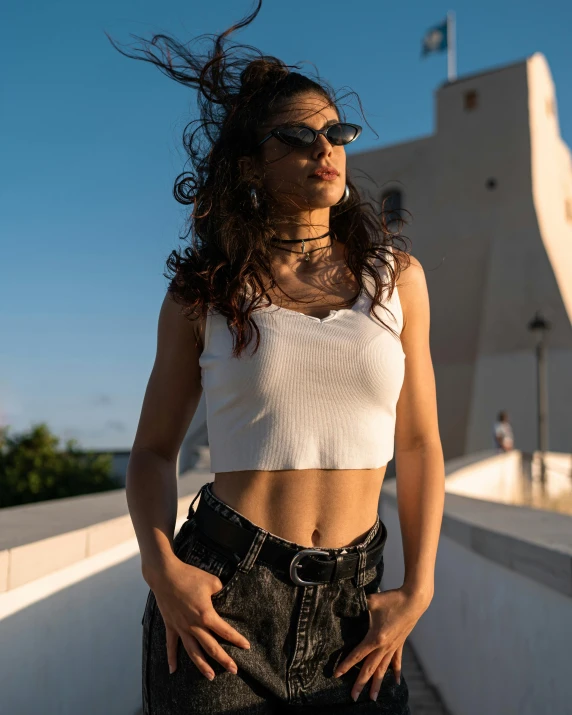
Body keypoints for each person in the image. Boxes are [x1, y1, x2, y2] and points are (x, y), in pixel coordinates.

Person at [111, 2, 445, 712]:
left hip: (355, 616)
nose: (325, 146)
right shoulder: (206, 293)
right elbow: (150, 453)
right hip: (222, 605)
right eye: (297, 135)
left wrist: (420, 586)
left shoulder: (398, 281)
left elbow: (417, 445)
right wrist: (160, 566)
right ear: (251, 165)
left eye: (336, 131)